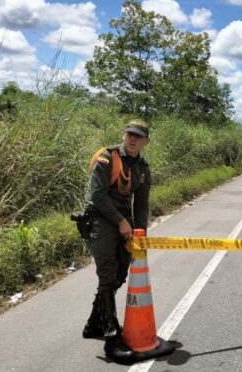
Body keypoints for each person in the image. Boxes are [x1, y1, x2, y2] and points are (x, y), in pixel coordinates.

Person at [81, 119, 151, 363]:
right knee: (108, 275)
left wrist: (140, 235)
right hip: (101, 221)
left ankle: (94, 324)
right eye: (130, 134)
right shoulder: (107, 157)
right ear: (123, 135)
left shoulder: (143, 168)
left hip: (125, 224)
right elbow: (97, 195)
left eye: (138, 136)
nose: (132, 139)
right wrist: (121, 221)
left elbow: (141, 206)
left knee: (121, 275)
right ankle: (112, 339)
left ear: (146, 142)